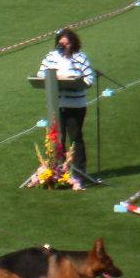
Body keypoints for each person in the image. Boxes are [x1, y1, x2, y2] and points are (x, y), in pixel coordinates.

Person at [37, 28, 94, 187]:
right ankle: (60, 171)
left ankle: (79, 172)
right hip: (57, 104)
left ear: (73, 43)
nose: (63, 46)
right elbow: (41, 74)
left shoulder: (80, 57)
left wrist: (74, 82)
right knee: (57, 138)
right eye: (60, 44)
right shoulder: (51, 57)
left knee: (75, 137)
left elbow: (89, 79)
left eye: (66, 43)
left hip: (75, 105)